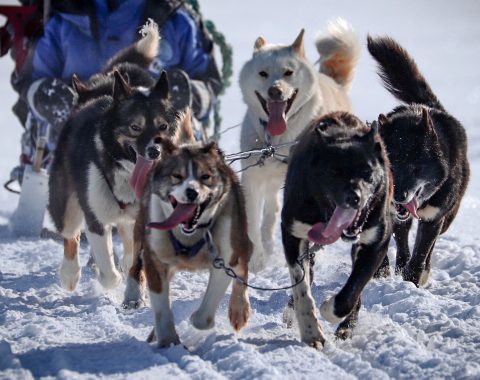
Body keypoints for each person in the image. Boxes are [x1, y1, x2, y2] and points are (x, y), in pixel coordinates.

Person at [8, 0, 223, 186]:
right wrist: (44, 95)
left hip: (158, 154)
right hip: (74, 153)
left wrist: (189, 93)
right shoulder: (64, 20)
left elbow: (208, 83)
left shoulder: (176, 20)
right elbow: (32, 80)